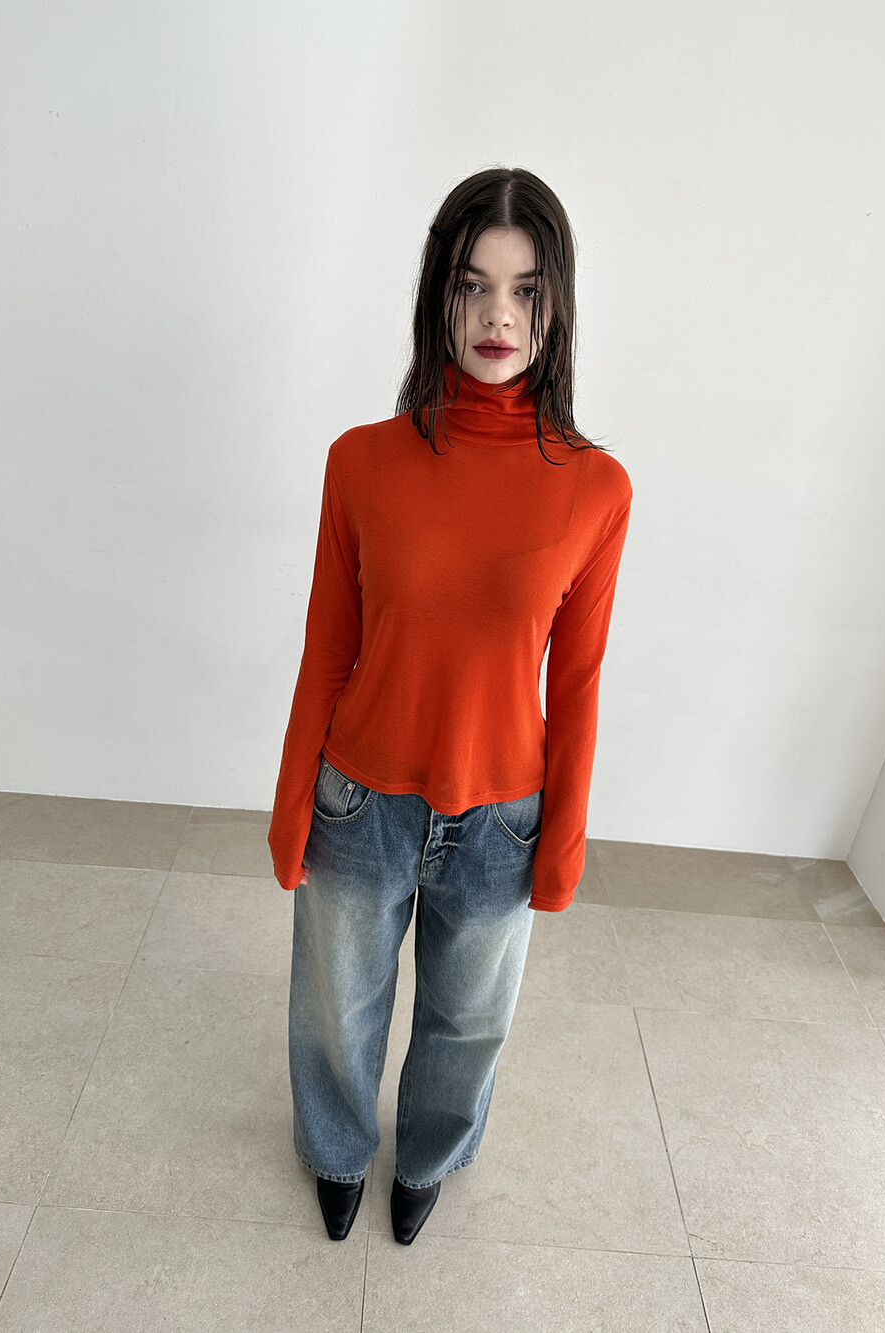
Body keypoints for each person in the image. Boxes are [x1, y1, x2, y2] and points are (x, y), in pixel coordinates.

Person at [268, 166, 633, 1246]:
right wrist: (290, 805)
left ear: (556, 307)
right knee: (335, 1009)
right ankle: (337, 1149)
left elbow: (577, 681)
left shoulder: (595, 487)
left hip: (500, 817)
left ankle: (427, 1159)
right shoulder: (362, 462)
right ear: (440, 296)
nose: (496, 317)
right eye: (473, 286)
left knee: (468, 1022)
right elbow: (326, 649)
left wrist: (562, 841)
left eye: (525, 291)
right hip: (358, 800)